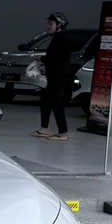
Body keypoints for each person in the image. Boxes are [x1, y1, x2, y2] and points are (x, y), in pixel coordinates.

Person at [33, 12, 72, 142]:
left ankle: (63, 132)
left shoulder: (62, 39)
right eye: (49, 24)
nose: (49, 26)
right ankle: (44, 128)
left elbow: (55, 58)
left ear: (59, 25)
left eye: (51, 24)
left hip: (58, 76)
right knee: (46, 101)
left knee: (57, 103)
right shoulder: (58, 38)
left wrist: (41, 58)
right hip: (54, 76)